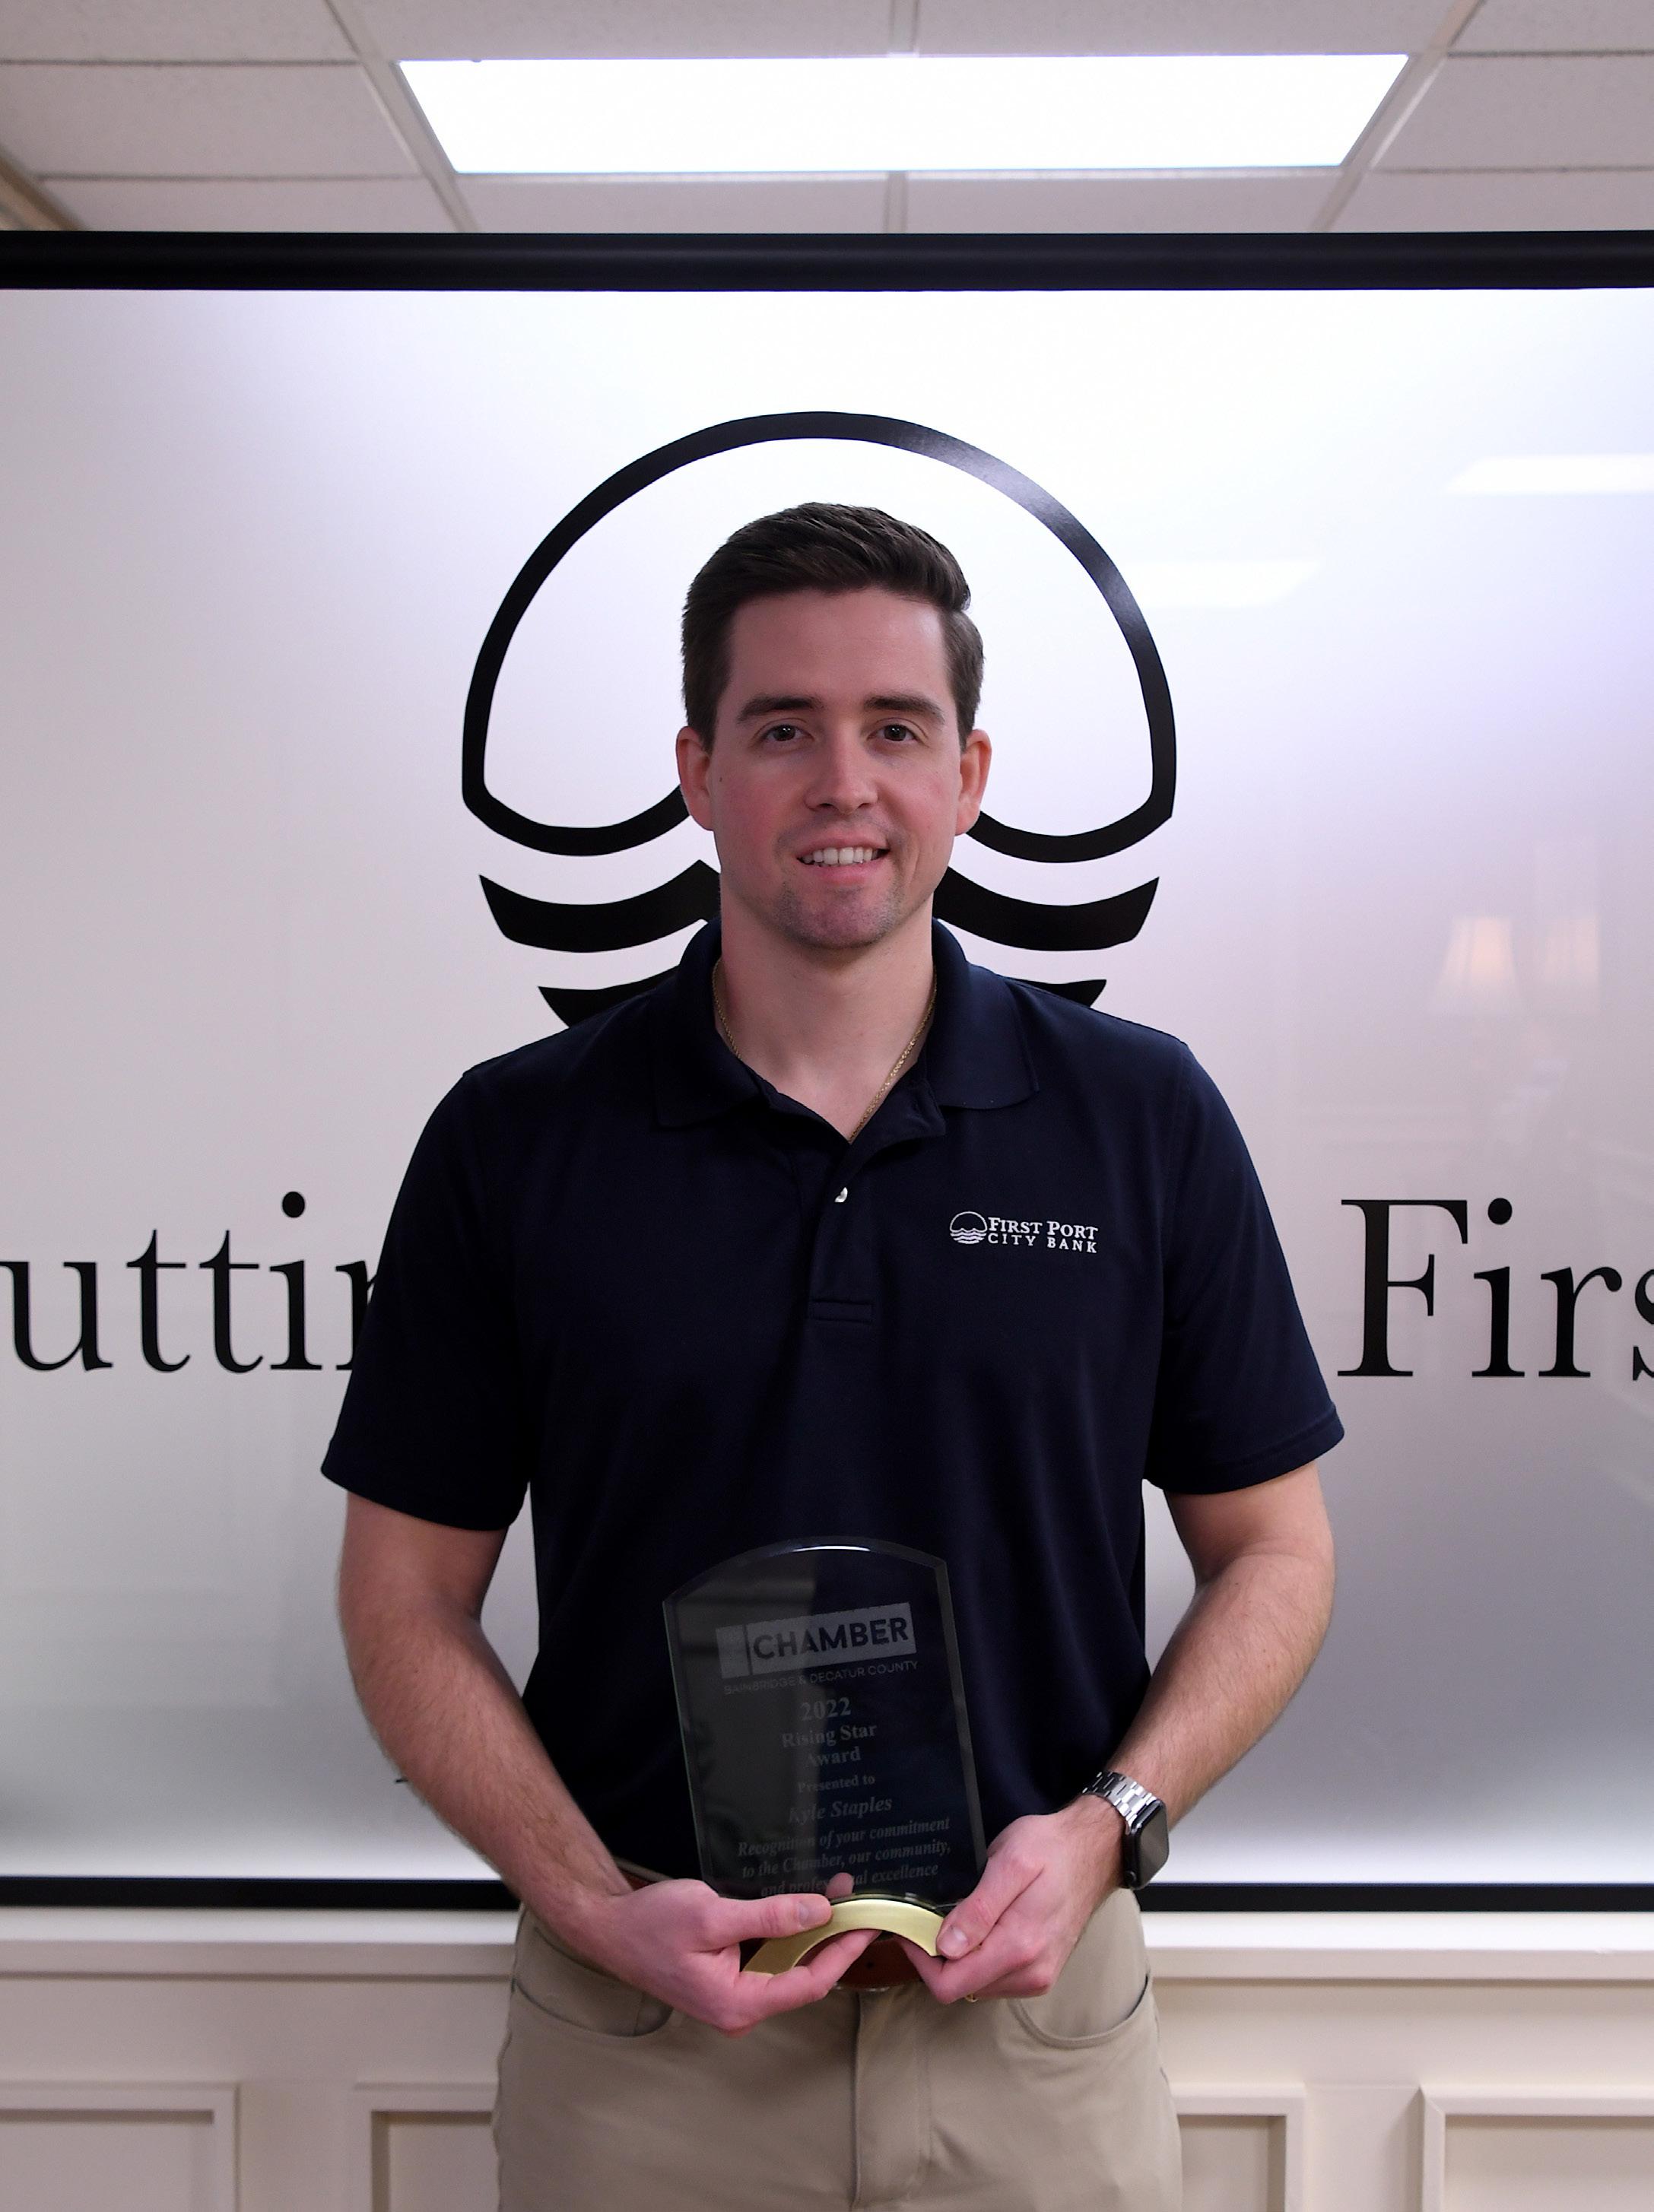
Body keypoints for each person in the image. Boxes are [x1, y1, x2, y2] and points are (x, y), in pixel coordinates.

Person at [324, 503, 1341, 2210]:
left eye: (897, 728)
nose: (843, 782)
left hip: (1031, 2038)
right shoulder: (516, 1142)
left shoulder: (1141, 1120)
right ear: (696, 771)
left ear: (972, 773)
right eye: (783, 728)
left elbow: (1278, 1553)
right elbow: (400, 1601)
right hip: (648, 2047)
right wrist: (590, 1905)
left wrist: (1108, 1825)